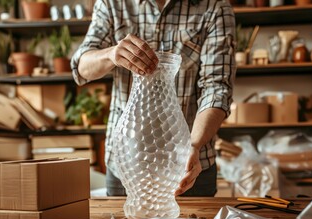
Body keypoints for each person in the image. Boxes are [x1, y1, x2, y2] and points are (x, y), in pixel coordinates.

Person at [71, 0, 235, 196]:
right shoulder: (112, 3)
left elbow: (216, 87)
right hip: (126, 163)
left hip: (188, 163)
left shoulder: (214, 6)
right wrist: (112, 54)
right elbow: (82, 68)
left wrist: (193, 145)